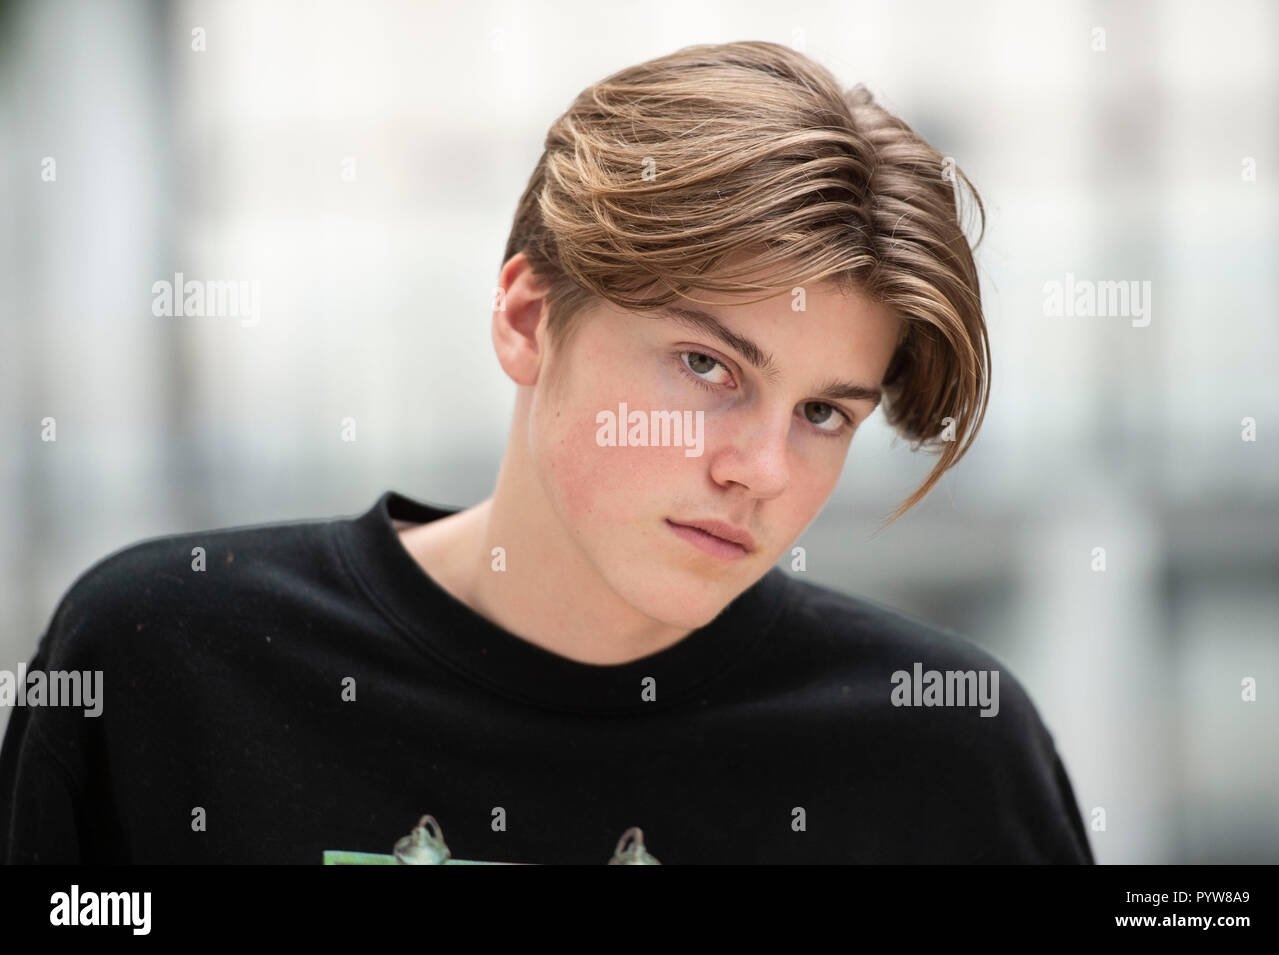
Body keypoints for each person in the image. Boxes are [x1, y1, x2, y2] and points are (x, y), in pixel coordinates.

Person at [0, 40, 1093, 864]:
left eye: (822, 414)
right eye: (707, 366)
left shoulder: (941, 747)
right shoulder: (171, 664)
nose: (759, 469)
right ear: (528, 319)